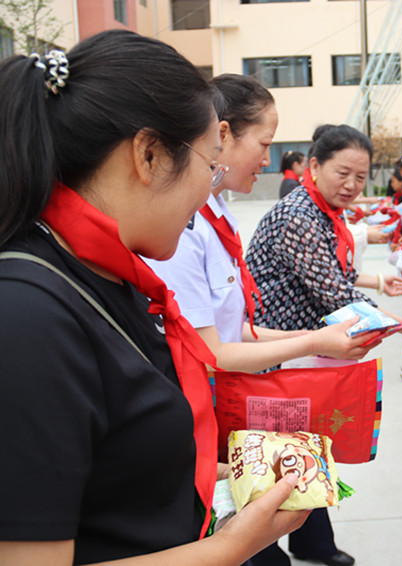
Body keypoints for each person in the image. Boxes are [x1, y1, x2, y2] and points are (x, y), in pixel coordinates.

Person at [0, 30, 308, 565]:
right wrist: (232, 546)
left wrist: (234, 472)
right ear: (148, 155)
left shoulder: (109, 278)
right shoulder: (28, 318)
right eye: (210, 165)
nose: (208, 189)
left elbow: (115, 468)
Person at [146, 76, 376, 566]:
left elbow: (238, 327)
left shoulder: (216, 212)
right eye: (265, 143)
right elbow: (211, 351)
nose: (269, 160)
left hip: (231, 395)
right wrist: (314, 341)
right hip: (204, 403)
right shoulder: (185, 225)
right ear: (222, 135)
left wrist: (313, 338)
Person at [245, 124, 402, 334]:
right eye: (342, 173)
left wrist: (380, 282)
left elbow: (333, 272)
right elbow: (336, 292)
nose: (351, 185)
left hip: (304, 337)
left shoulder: (327, 209)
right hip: (276, 337)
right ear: (315, 166)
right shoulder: (298, 216)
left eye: (360, 177)